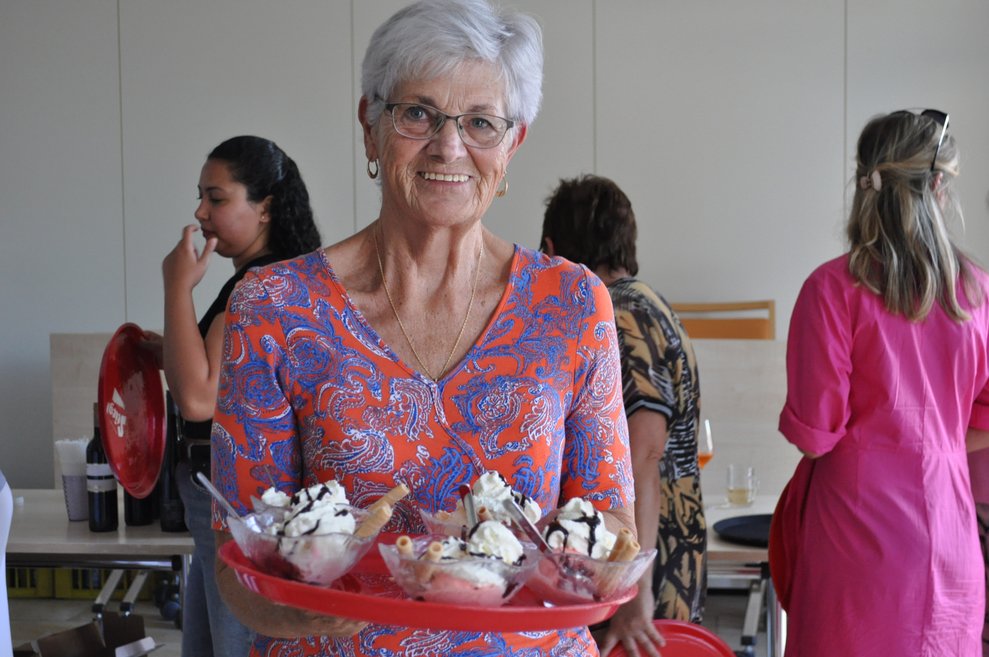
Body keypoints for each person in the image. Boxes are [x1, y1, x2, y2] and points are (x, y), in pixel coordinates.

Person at [209, 2, 636, 656]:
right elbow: (236, 556)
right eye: (417, 113)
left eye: (480, 123)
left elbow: (609, 529)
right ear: (369, 125)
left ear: (513, 142)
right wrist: (301, 617)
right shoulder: (275, 306)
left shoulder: (572, 305)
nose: (448, 145)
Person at [778, 109, 989, 657]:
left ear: (864, 181)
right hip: (949, 541)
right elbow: (983, 419)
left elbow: (814, 434)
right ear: (937, 186)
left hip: (855, 540)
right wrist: (934, 443)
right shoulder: (979, 297)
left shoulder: (830, 290)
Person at [154, 135, 322, 657]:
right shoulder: (276, 279)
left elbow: (201, 399)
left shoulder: (256, 286)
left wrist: (176, 287)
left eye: (217, 198)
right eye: (201, 197)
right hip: (227, 491)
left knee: (230, 645)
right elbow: (223, 377)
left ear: (265, 207)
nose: (200, 212)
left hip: (228, 491)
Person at [542, 174, 704, 657]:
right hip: (668, 563)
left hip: (640, 590)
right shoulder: (652, 304)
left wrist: (633, 591)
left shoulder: (618, 314)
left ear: (552, 251)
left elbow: (642, 454)